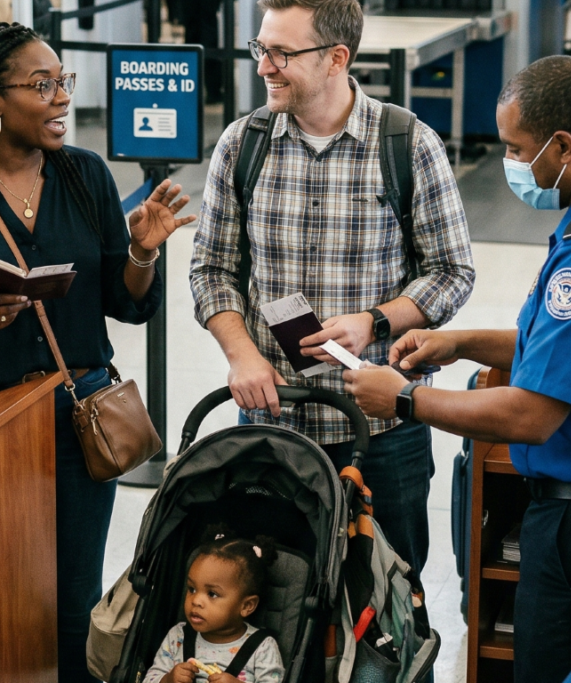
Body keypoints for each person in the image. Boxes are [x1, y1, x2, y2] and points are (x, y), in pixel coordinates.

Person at [0, 22, 194, 683]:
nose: (61, 97)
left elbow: (128, 303)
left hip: (80, 417)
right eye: (42, 84)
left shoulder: (85, 175)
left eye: (62, 81)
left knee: (74, 601)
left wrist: (142, 251)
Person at [342, 55, 571, 683]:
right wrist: (460, 344)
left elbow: (532, 414)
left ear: (563, 146)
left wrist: (404, 400)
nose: (511, 163)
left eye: (517, 149)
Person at [189, 0, 474, 594]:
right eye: (261, 48)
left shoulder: (407, 144)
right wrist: (241, 355)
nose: (263, 66)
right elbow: (211, 269)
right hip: (272, 421)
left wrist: (375, 321)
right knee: (270, 602)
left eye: (281, 53)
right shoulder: (243, 145)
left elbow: (452, 272)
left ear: (336, 58)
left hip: (383, 431)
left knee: (387, 601)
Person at [143, 530, 284, 683]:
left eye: (212, 594)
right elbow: (149, 679)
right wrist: (167, 679)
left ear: (246, 606)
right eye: (192, 589)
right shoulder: (178, 636)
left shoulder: (262, 647)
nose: (196, 601)